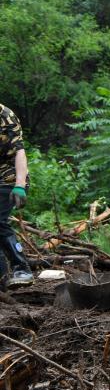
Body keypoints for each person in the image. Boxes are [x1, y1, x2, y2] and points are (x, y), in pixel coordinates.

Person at [0, 104, 32, 287]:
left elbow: (19, 151)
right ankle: (3, 277)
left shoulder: (6, 117)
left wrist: (19, 185)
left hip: (10, 177)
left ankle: (22, 268)